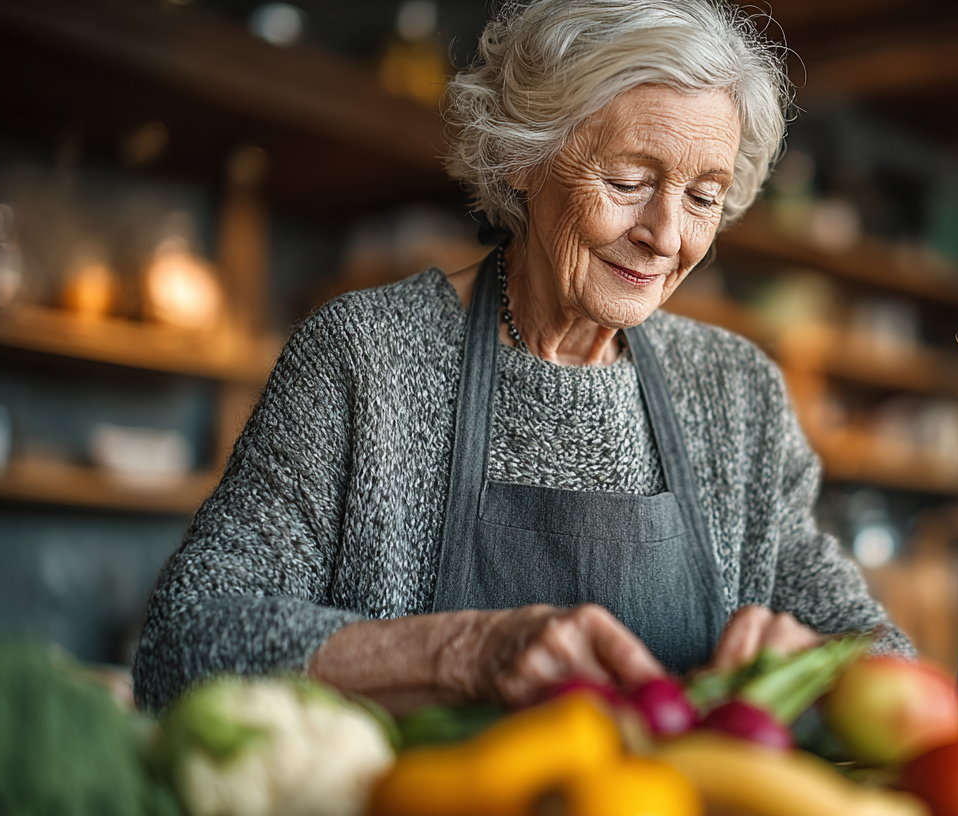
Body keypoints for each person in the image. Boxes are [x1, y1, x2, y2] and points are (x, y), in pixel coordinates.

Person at [133, 0, 911, 714]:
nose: (667, 235)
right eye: (630, 180)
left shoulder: (739, 394)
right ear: (522, 157)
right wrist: (463, 653)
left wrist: (822, 665)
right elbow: (183, 641)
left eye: (704, 197)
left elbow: (886, 659)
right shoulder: (364, 358)